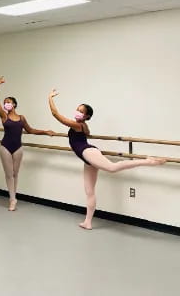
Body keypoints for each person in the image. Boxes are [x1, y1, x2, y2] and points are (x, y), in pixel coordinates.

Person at [48, 89, 166, 229]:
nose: (77, 112)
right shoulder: (83, 126)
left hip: (88, 152)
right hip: (87, 157)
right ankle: (88, 222)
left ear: (86, 116)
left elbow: (56, 115)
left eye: (81, 111)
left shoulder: (78, 125)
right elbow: (87, 133)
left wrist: (50, 98)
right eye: (77, 109)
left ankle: (148, 161)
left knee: (112, 168)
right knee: (89, 191)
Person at [0, 76, 55, 211]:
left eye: (8, 102)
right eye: (5, 102)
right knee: (9, 174)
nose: (6, 104)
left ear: (14, 104)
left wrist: (45, 132)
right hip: (5, 147)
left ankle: (14, 197)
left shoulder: (21, 118)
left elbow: (30, 130)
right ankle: (12, 199)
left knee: (15, 173)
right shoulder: (4, 116)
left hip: (18, 148)